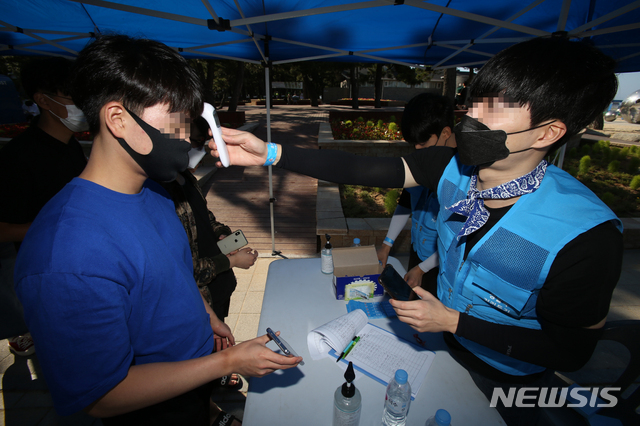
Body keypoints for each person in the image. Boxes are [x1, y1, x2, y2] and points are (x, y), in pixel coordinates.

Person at [210, 37, 622, 426]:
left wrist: (454, 322)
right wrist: (269, 153)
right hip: (440, 348)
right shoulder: (451, 168)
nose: (471, 119)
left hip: (510, 378)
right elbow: (359, 168)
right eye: (474, 103)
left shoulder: (586, 235)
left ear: (549, 132)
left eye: (495, 109)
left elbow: (571, 350)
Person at [14, 34, 300, 426]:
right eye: (176, 121)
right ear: (117, 120)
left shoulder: (154, 192)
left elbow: (171, 270)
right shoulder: (65, 255)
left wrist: (203, 315)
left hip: (195, 383)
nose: (186, 137)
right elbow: (101, 395)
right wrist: (229, 361)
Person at [159, 116, 259, 390]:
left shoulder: (186, 178)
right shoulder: (159, 193)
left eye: (203, 144)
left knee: (220, 328)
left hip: (219, 286)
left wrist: (222, 234)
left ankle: (220, 372)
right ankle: (212, 378)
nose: (198, 150)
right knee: (204, 341)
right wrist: (232, 260)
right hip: (199, 295)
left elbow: (206, 217)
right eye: (194, 143)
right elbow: (185, 269)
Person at [0, 56, 88, 356]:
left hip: (81, 269)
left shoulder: (72, 147)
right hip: (47, 279)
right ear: (43, 100)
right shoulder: (18, 158)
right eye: (73, 97)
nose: (83, 104)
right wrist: (58, 229)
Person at [377, 93, 455, 297]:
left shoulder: (461, 177)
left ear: (445, 132)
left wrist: (423, 269)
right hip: (418, 253)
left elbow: (456, 241)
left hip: (440, 266)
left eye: (423, 143)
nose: (417, 150)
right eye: (414, 144)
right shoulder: (423, 162)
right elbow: (405, 203)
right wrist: (387, 244)